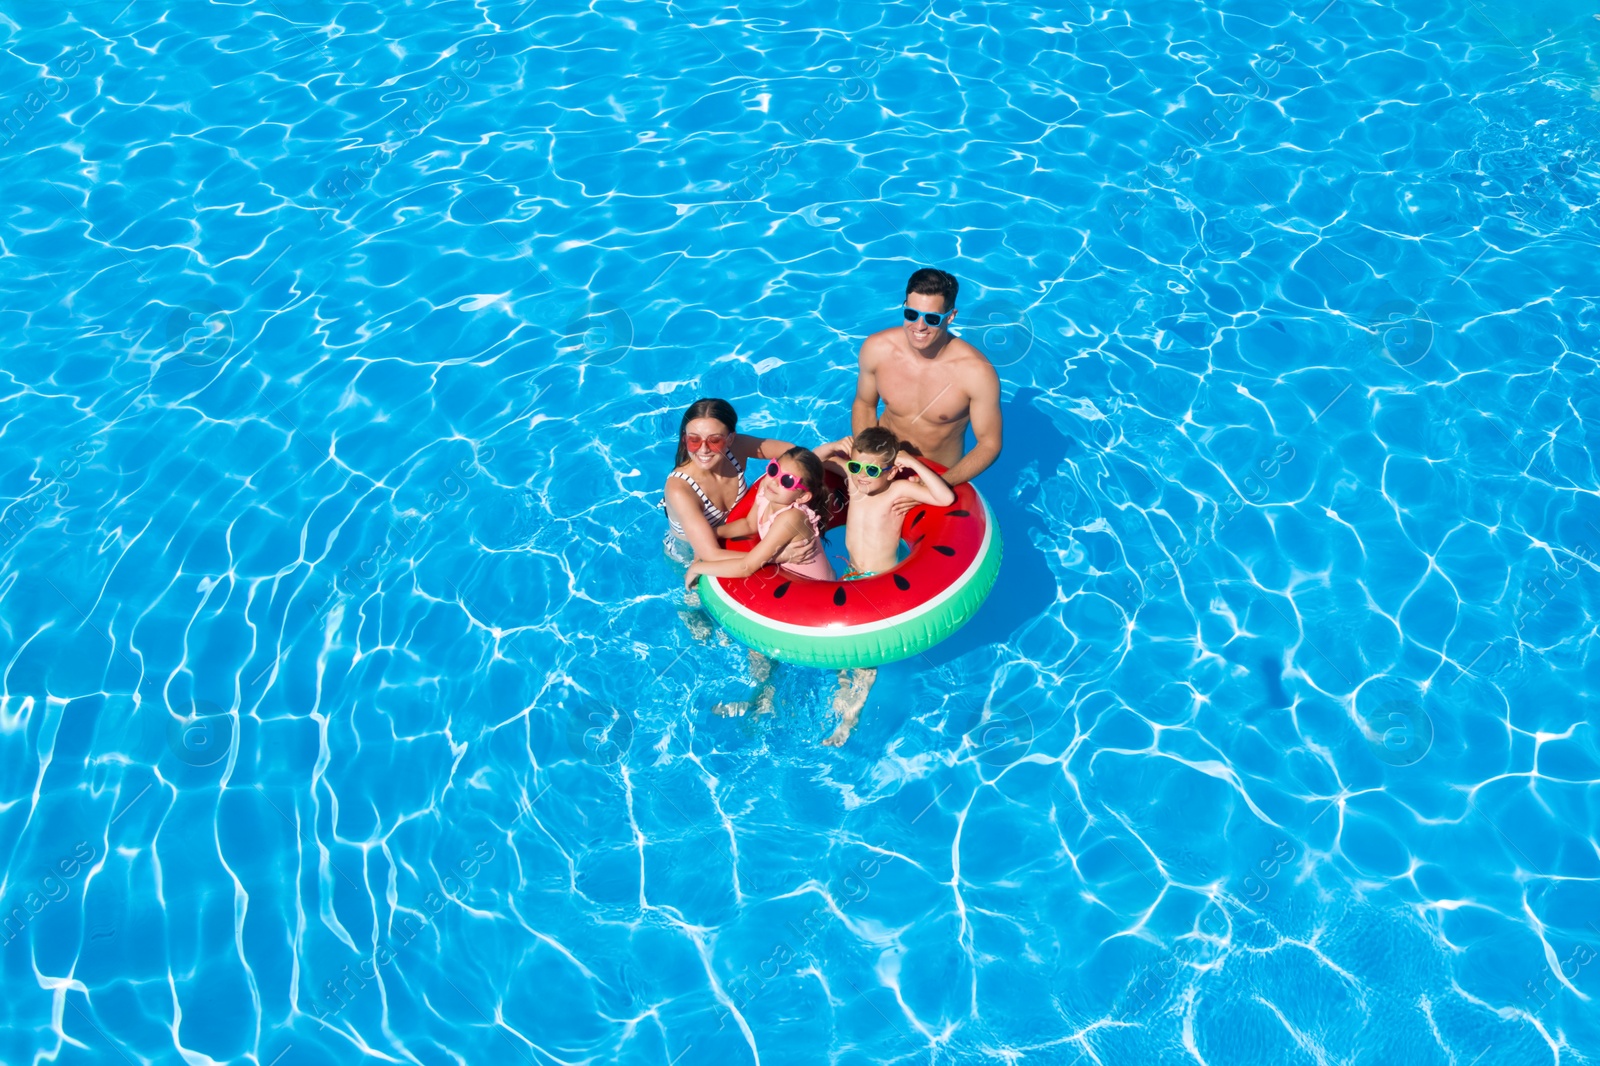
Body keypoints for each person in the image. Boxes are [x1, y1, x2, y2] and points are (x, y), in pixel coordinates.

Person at [813, 427, 956, 745]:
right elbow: (810, 462)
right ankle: (842, 692)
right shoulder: (854, 482)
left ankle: (849, 720)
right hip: (851, 576)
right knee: (844, 649)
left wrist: (912, 463)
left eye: (872, 470)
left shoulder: (897, 491)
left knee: (864, 659)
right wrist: (835, 445)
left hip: (880, 584)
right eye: (855, 466)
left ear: (891, 471)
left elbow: (945, 497)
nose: (862, 476)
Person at [852, 267, 1002, 488]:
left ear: (950, 317)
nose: (919, 326)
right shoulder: (878, 349)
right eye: (911, 315)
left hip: (937, 475)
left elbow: (989, 444)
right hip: (880, 470)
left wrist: (939, 483)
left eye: (932, 318)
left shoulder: (976, 373)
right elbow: (864, 404)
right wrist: (867, 462)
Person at [663, 398, 794, 566]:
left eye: (714, 440)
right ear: (684, 439)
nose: (704, 449)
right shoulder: (680, 489)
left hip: (735, 531)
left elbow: (793, 453)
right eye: (694, 440)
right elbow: (709, 554)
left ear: (730, 439)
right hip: (691, 555)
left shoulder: (738, 447)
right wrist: (780, 556)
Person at [684, 447, 834, 589]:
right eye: (774, 469)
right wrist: (710, 534)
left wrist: (697, 568)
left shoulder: (791, 518)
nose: (775, 481)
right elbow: (749, 525)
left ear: (802, 497)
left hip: (816, 587)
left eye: (787, 481)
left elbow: (747, 567)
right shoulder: (766, 489)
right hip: (791, 578)